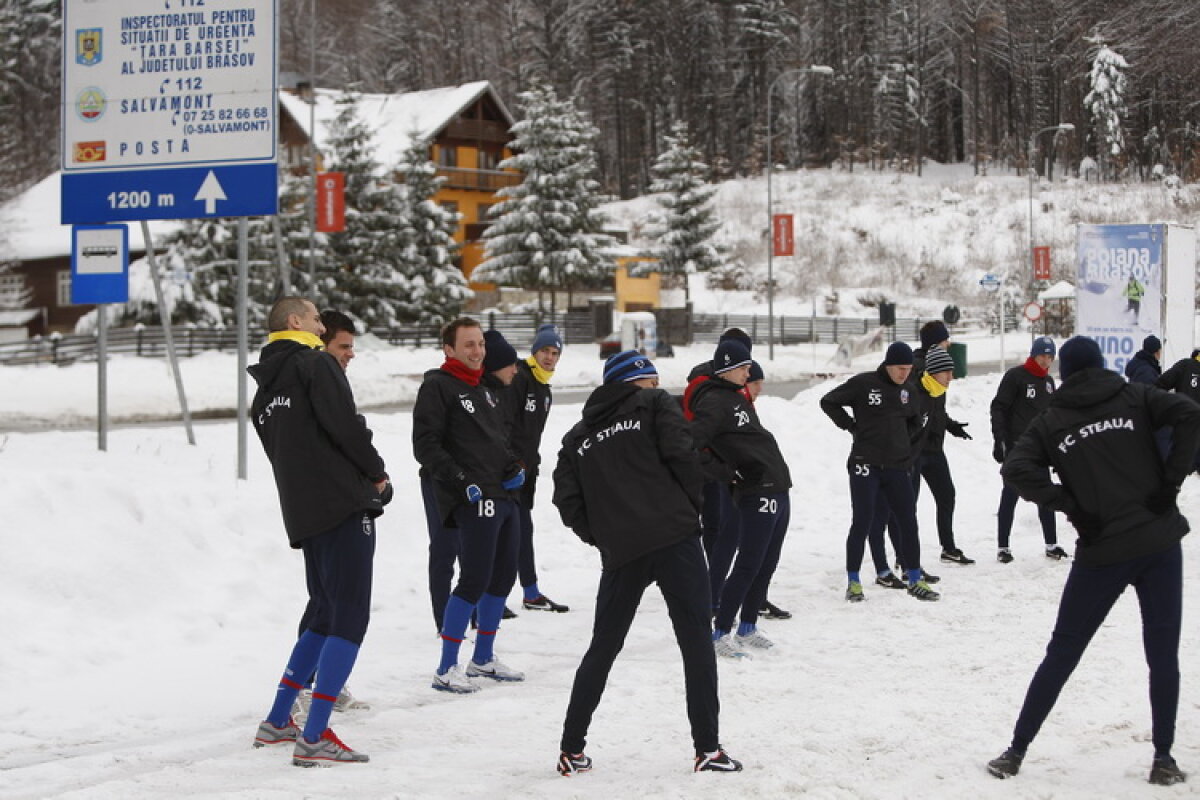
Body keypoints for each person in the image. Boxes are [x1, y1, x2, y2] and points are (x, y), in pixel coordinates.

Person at [987, 336, 1200, 786]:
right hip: (1159, 541)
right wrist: (1171, 483)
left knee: (1063, 651)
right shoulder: (1136, 396)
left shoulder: (1052, 420)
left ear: (1064, 372)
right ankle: (1163, 760)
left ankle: (1015, 752)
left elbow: (1015, 469)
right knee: (1162, 654)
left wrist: (1072, 506)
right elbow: (1189, 412)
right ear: (1101, 364)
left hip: (1102, 550)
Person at [552, 350, 741, 775]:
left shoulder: (576, 439)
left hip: (623, 551)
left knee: (603, 646)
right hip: (675, 538)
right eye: (651, 381)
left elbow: (567, 501)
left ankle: (571, 748)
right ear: (634, 382)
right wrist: (686, 509)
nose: (657, 388)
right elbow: (683, 453)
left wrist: (604, 536)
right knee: (695, 642)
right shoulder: (654, 404)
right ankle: (707, 750)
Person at [248, 296, 389, 767]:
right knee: (349, 616)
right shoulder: (315, 363)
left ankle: (277, 720)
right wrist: (377, 474)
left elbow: (281, 454)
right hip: (343, 504)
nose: (321, 326)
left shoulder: (263, 393)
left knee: (325, 612)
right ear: (295, 322)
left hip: (303, 512)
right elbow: (345, 427)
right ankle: (314, 735)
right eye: (314, 318)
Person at [413, 318, 527, 694]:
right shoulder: (438, 386)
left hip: (504, 496)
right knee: (473, 580)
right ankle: (447, 667)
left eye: (480, 344)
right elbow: (426, 445)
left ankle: (483, 658)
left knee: (502, 577)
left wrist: (513, 466)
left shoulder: (485, 389)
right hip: (473, 498)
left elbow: (496, 441)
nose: (477, 351)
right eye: (469, 345)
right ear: (449, 349)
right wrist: (461, 480)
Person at [689, 339, 793, 655]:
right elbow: (689, 446)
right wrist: (726, 472)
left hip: (777, 487)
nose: (749, 373)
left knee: (767, 563)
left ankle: (748, 626)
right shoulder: (713, 402)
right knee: (748, 564)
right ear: (728, 368)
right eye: (744, 368)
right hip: (756, 491)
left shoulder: (736, 397)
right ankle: (720, 632)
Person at [291, 309, 370, 722]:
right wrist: (375, 474)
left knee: (330, 602)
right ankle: (305, 689)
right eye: (344, 346)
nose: (350, 354)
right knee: (327, 604)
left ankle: (324, 683)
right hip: (328, 506)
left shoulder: (328, 380)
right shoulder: (314, 380)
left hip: (330, 502)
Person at [820, 341, 939, 603]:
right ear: (888, 365)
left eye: (908, 369)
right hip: (865, 464)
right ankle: (853, 581)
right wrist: (851, 426)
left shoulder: (908, 391)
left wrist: (901, 442)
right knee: (862, 520)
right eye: (900, 368)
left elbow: (914, 422)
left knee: (908, 520)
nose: (904, 374)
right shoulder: (864, 383)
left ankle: (914, 578)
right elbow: (828, 402)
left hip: (896, 466)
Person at [990, 336, 1068, 563]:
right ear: (1034, 355)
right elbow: (998, 407)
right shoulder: (1016, 376)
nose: (1046, 360)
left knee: (1046, 494)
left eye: (1050, 356)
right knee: (1010, 494)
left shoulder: (1049, 382)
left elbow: (1051, 417)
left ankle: (1051, 544)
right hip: (1017, 448)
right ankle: (1003, 547)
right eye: (1042, 355)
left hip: (1040, 450)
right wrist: (1000, 439)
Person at [510, 324, 570, 613]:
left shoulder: (544, 388)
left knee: (523, 530)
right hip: (508, 471)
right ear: (535, 351)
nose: (549, 357)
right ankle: (490, 598)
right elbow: (506, 425)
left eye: (555, 353)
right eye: (545, 351)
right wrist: (512, 463)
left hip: (527, 472)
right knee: (507, 533)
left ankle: (531, 593)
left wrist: (530, 464)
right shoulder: (520, 377)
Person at [913, 345, 975, 565]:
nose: (951, 377)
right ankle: (905, 557)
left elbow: (938, 414)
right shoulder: (914, 392)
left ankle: (948, 548)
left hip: (935, 452)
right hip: (914, 455)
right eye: (947, 372)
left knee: (947, 496)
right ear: (934, 372)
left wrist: (952, 426)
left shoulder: (939, 390)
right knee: (908, 505)